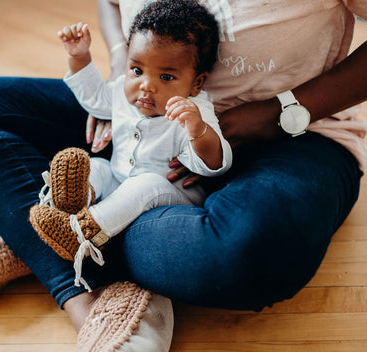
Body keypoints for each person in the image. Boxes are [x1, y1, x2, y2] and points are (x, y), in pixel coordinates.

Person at [0, 0, 367, 352]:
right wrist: (127, 72)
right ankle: (92, 299)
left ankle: (45, 234)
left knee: (250, 253)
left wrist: (280, 111)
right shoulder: (138, 88)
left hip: (289, 134)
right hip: (139, 134)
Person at [30, 0, 232, 292]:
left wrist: (198, 130)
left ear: (196, 83)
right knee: (95, 165)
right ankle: (66, 207)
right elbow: (95, 99)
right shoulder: (125, 93)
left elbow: (214, 166)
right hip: (119, 181)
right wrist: (80, 58)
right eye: (137, 70)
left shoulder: (193, 111)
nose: (146, 86)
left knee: (146, 183)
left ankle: (82, 235)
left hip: (169, 195)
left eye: (166, 77)